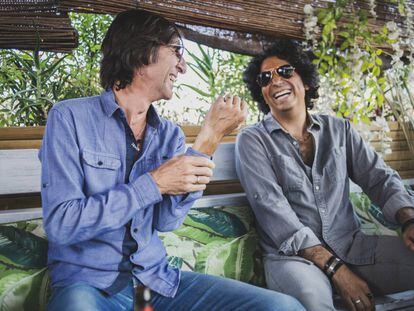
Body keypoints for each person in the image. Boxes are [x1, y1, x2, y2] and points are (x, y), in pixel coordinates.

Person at [40, 10, 304, 311]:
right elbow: (62, 224)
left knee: (283, 307)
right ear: (142, 50)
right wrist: (153, 184)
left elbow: (166, 221)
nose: (184, 65)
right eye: (177, 51)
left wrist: (208, 141)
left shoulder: (168, 135)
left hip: (156, 284)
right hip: (88, 286)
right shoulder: (69, 118)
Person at [235, 38, 414, 311]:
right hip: (295, 261)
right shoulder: (252, 141)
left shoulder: (339, 130)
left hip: (353, 248)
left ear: (305, 81)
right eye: (265, 78)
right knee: (314, 301)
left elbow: (379, 178)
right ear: (261, 92)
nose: (275, 82)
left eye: (285, 72)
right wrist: (338, 271)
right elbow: (274, 211)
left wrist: (408, 219)